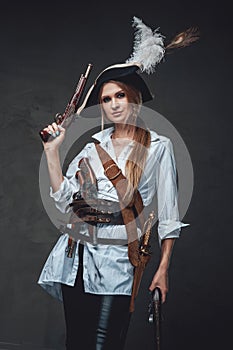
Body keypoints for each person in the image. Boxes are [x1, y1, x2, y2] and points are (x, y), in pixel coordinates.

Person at [38, 16, 196, 350]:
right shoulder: (93, 147)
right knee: (76, 344)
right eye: (107, 99)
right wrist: (52, 153)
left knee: (104, 345)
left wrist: (163, 267)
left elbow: (167, 216)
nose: (113, 105)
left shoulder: (158, 147)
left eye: (119, 95)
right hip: (74, 256)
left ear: (134, 97)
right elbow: (64, 199)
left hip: (118, 261)